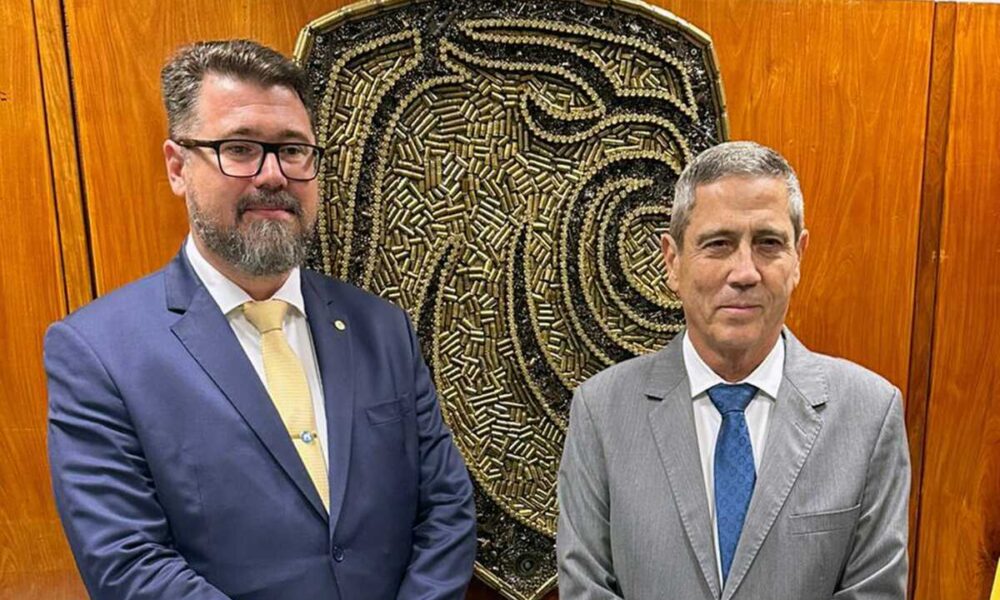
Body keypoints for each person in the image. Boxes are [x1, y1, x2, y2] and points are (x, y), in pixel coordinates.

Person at [45, 39, 476, 600]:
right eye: (240, 148)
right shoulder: (99, 354)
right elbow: (129, 564)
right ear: (177, 166)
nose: (273, 175)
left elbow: (445, 508)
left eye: (293, 150)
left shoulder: (381, 328)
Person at [556, 141, 909, 599]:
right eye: (718, 244)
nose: (745, 272)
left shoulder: (869, 413)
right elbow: (586, 589)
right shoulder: (601, 412)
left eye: (768, 243)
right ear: (673, 260)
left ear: (798, 256)